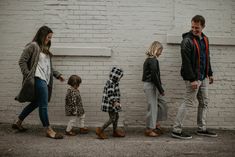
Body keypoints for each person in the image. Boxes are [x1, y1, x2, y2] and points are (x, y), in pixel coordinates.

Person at [13, 26, 65, 139]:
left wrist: (57, 75)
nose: (49, 39)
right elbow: (22, 61)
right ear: (42, 35)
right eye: (48, 37)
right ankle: (48, 129)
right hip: (38, 78)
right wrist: (29, 75)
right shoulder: (33, 46)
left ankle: (18, 121)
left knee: (37, 102)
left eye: (51, 38)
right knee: (44, 105)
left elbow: (47, 67)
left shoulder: (45, 49)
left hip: (45, 79)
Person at [171, 15, 217, 139]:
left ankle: (201, 129)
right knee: (188, 102)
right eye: (192, 27)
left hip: (203, 77)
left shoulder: (205, 39)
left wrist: (210, 73)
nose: (194, 29)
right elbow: (186, 62)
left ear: (203, 26)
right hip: (193, 78)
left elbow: (207, 57)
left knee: (204, 102)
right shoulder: (187, 40)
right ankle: (176, 130)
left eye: (197, 27)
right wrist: (192, 80)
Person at [142, 41, 167, 137]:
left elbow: (155, 76)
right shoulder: (152, 60)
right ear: (156, 49)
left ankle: (156, 124)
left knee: (162, 104)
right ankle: (149, 129)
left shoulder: (151, 60)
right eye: (160, 50)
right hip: (151, 85)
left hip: (153, 85)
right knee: (152, 107)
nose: (161, 53)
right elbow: (154, 76)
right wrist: (161, 89)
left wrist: (160, 88)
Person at [95, 67, 125, 139]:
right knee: (112, 118)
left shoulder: (114, 83)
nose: (120, 78)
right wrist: (114, 102)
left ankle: (115, 131)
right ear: (116, 77)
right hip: (110, 104)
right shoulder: (111, 83)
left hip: (113, 104)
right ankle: (100, 130)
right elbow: (110, 94)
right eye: (119, 77)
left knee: (116, 117)